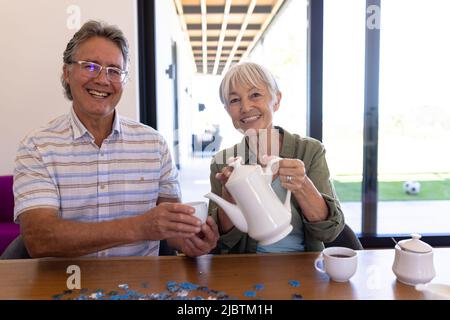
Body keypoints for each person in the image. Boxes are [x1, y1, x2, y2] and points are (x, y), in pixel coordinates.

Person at [13, 20, 218, 258]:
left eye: (114, 71)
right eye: (90, 66)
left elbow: (171, 230)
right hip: (64, 288)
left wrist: (190, 241)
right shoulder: (37, 146)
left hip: (141, 288)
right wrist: (139, 227)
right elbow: (41, 239)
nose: (102, 79)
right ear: (67, 73)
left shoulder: (154, 145)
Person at [208, 62, 344, 254]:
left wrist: (302, 184)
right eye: (234, 100)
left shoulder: (309, 150)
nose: (245, 107)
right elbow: (221, 242)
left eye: (255, 95)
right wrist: (230, 196)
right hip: (246, 267)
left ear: (277, 100)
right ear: (227, 110)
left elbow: (330, 231)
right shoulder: (222, 162)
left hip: (304, 264)